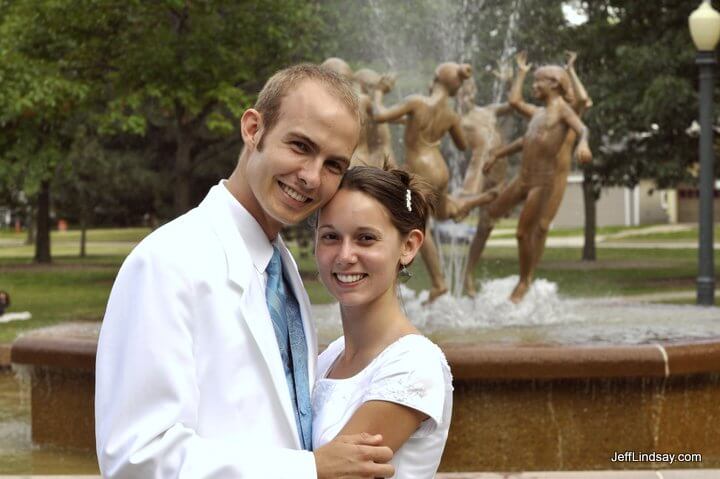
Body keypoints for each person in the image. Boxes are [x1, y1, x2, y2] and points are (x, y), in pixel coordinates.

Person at [95, 64, 395, 478]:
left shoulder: (282, 268)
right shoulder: (166, 263)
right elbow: (137, 458)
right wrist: (307, 470)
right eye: (300, 146)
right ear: (253, 129)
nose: (310, 177)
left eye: (333, 165)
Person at [312, 166, 453, 479]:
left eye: (365, 238)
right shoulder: (328, 358)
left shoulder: (413, 364)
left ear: (409, 246)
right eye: (331, 237)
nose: (345, 255)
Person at [374, 62, 497, 302]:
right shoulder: (451, 115)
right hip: (441, 169)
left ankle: (439, 284)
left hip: (420, 171)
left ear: (436, 79)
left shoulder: (416, 102)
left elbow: (379, 115)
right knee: (442, 214)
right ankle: (465, 203)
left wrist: (380, 92)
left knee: (418, 226)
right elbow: (463, 145)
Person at [480, 51, 592, 303]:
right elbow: (518, 112)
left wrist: (583, 145)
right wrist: (497, 154)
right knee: (492, 212)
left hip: (544, 180)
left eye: (537, 81)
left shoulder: (564, 111)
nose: (534, 86)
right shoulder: (539, 113)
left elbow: (583, 120)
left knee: (526, 232)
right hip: (523, 177)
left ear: (554, 83)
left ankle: (524, 280)